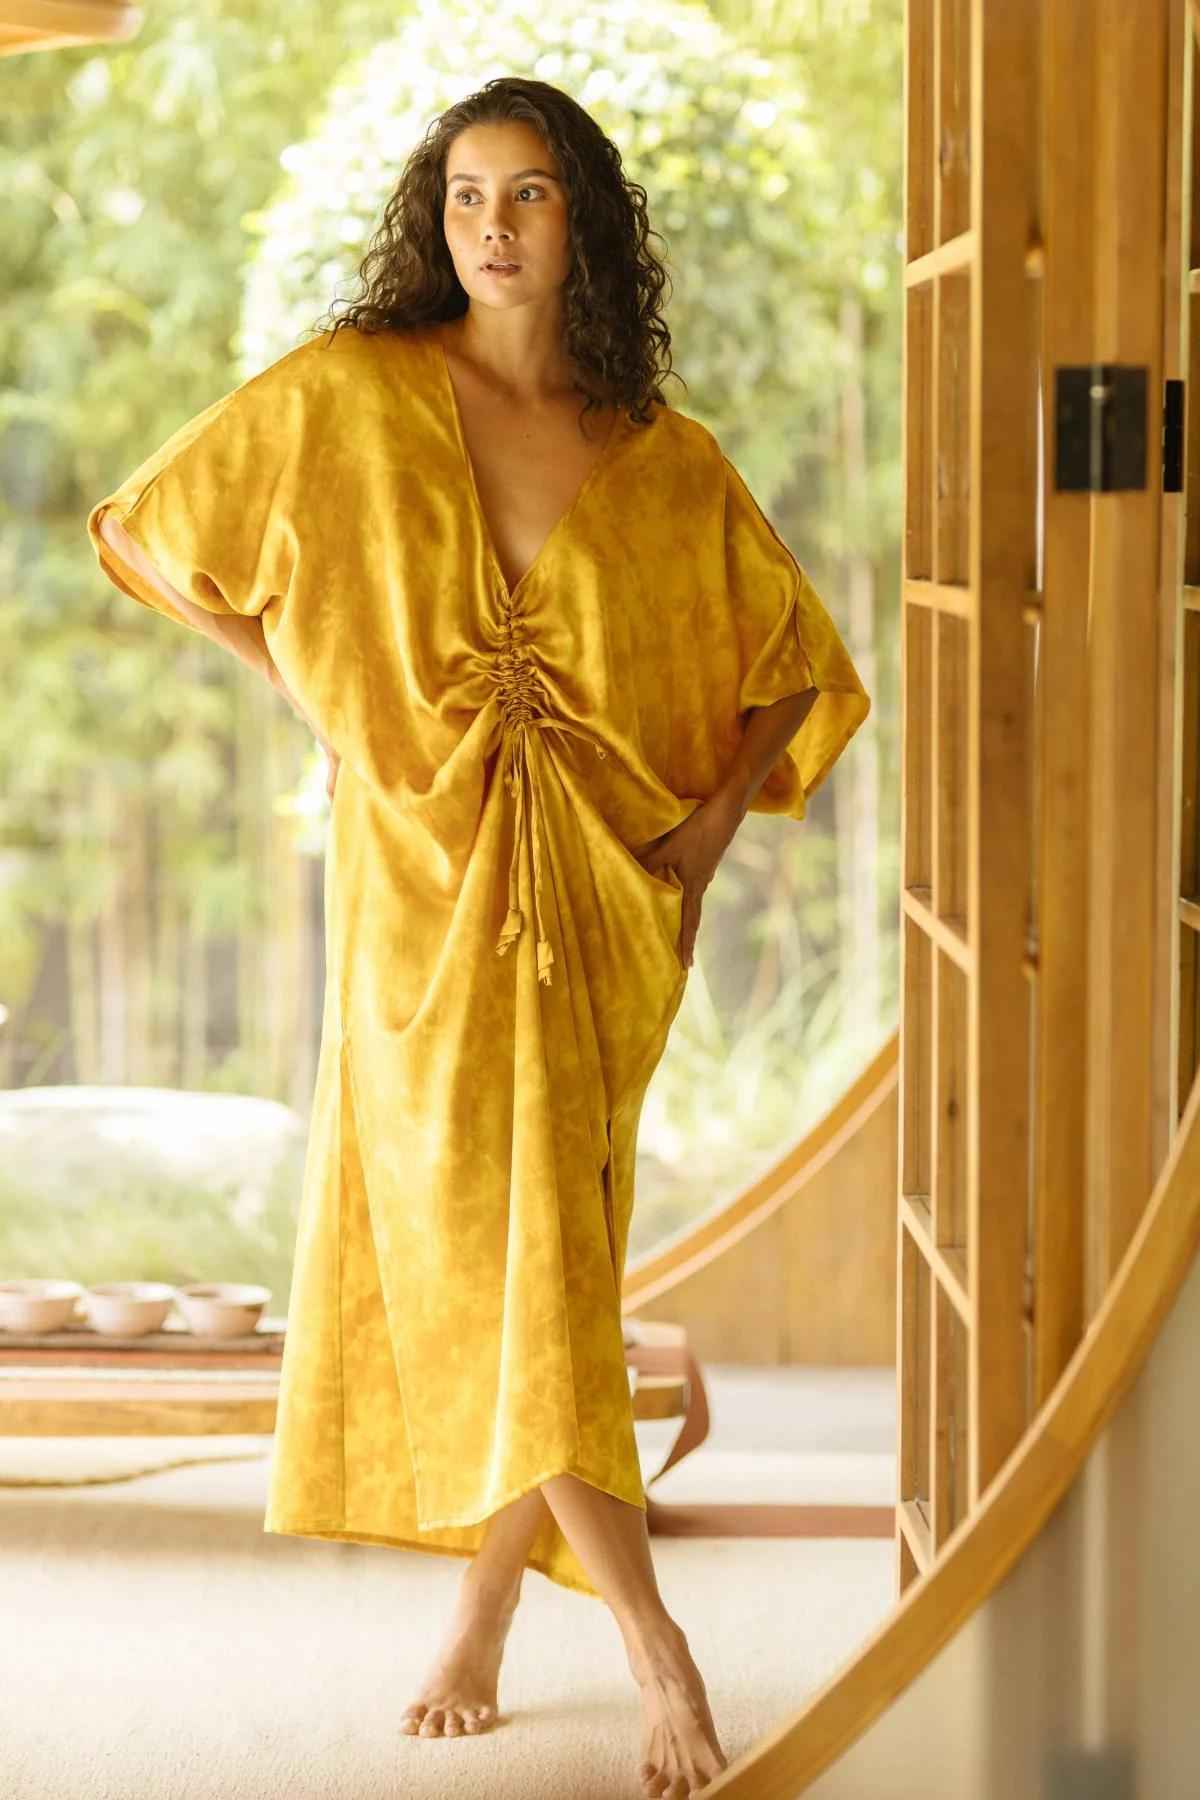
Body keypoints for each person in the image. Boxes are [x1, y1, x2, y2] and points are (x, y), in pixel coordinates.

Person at [87, 75, 870, 1800]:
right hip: (418, 883)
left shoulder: (655, 453)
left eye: (526, 195)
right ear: (432, 221)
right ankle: (656, 1645)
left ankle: (490, 1617)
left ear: (582, 217)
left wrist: (710, 824)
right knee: (483, 1246)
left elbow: (795, 659)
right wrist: (314, 694)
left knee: (558, 1253)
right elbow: (155, 532)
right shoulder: (356, 396)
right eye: (462, 198)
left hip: (605, 900)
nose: (493, 228)